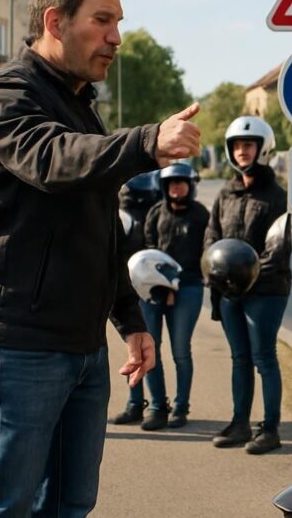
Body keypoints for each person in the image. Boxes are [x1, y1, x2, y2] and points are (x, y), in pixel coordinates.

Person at [0, 0, 202, 517]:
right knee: (6, 507)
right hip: (17, 343)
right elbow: (53, 159)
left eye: (119, 22)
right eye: (103, 20)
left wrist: (130, 320)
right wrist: (146, 141)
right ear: (55, 20)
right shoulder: (6, 96)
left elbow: (97, 228)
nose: (116, 37)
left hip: (83, 347)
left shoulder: (82, 105)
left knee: (70, 505)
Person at [204, 116, 291, 455]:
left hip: (266, 292)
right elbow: (212, 235)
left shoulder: (276, 196)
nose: (242, 151)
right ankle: (240, 423)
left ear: (262, 148)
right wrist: (214, 270)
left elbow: (278, 248)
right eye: (237, 146)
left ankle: (270, 429)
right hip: (228, 291)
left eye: (248, 145)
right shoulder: (225, 193)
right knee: (239, 358)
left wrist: (248, 277)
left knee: (264, 358)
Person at [128, 162, 210, 430]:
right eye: (171, 182)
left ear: (190, 185)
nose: (176, 186)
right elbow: (148, 248)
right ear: (163, 187)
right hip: (154, 290)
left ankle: (181, 407)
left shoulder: (200, 215)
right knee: (151, 349)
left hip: (188, 288)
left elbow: (207, 252)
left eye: (181, 182)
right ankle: (156, 406)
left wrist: (179, 285)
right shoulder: (155, 213)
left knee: (181, 350)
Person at [110, 169, 162, 425]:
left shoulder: (155, 213)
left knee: (147, 350)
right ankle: (135, 403)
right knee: (135, 351)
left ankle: (158, 405)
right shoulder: (119, 214)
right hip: (128, 293)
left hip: (150, 291)